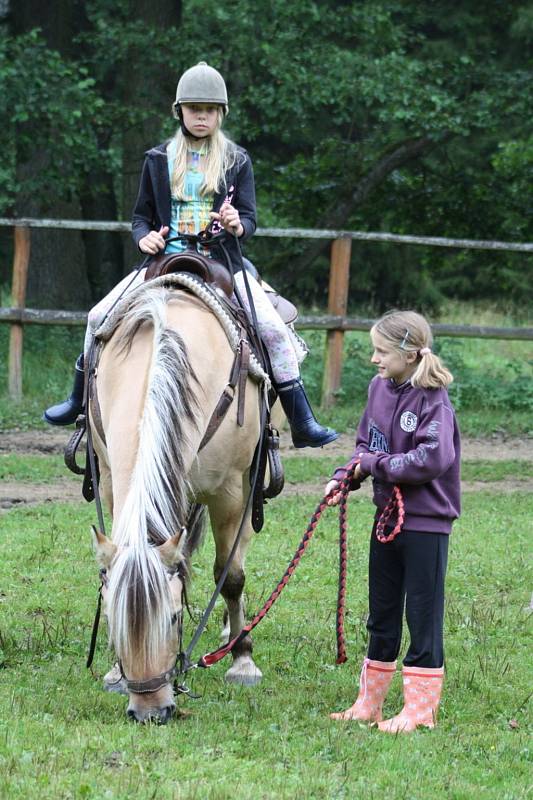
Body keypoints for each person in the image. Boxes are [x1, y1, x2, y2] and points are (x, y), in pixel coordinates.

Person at [43, 62, 337, 450]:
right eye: (195, 108)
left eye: (210, 109)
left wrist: (237, 223)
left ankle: (302, 418)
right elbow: (140, 218)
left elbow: (250, 220)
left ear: (221, 114)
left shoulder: (237, 160)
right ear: (179, 111)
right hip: (164, 259)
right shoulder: (157, 159)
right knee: (98, 315)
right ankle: (78, 398)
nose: (202, 116)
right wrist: (144, 238)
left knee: (272, 328)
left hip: (221, 262)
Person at [326, 310, 460, 733]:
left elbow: (430, 460)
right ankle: (370, 702)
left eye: (382, 352)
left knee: (423, 615)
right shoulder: (378, 389)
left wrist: (374, 465)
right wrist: (344, 476)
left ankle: (421, 711)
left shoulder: (433, 400)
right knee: (382, 613)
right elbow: (367, 444)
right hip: (386, 518)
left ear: (408, 353)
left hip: (425, 524)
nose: (374, 360)